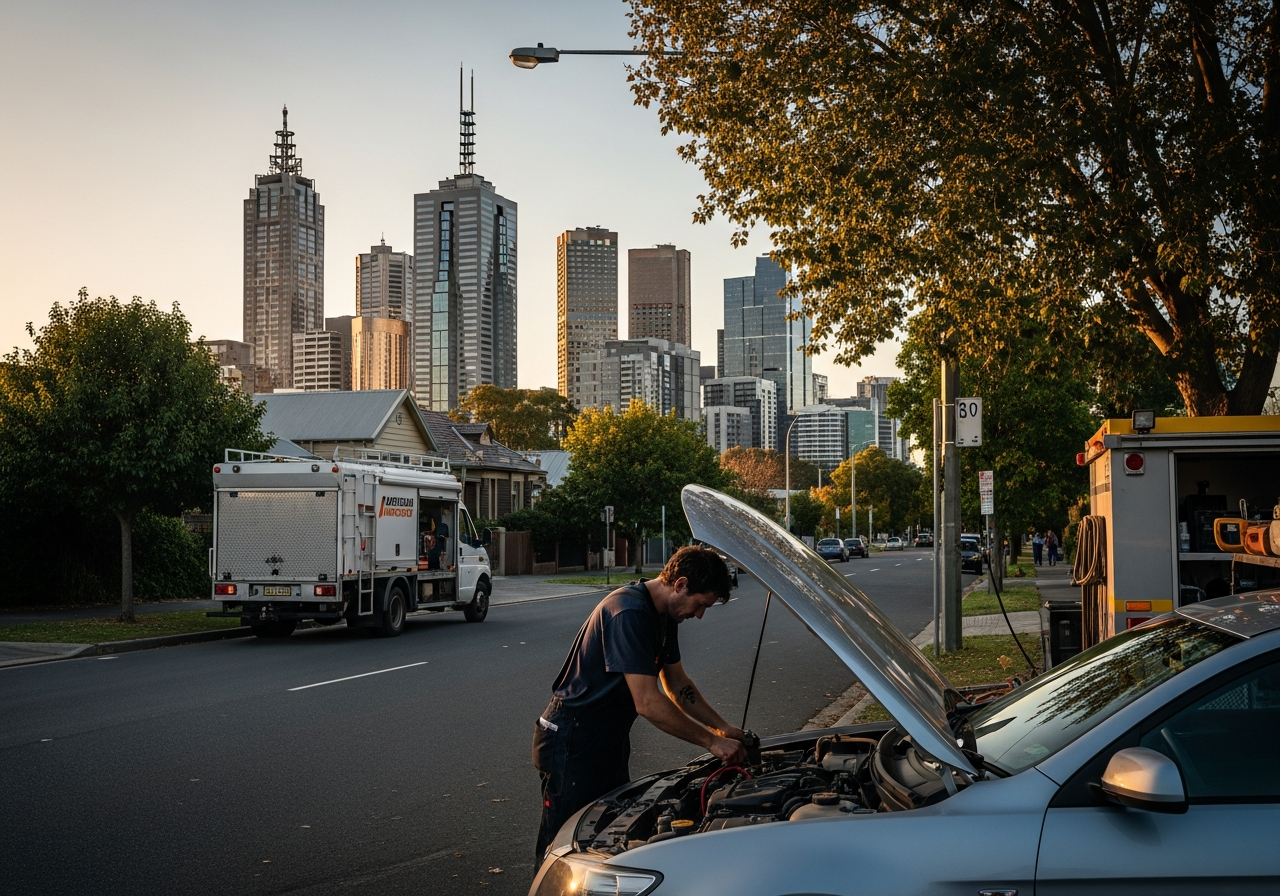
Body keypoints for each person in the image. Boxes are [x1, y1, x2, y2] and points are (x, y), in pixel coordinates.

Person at [532, 546, 747, 861]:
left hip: (606, 739)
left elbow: (677, 684)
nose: (699, 615)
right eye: (700, 605)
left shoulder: (664, 615)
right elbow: (646, 701)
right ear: (681, 584)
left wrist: (723, 728)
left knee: (606, 841)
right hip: (571, 741)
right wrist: (711, 742)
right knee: (562, 850)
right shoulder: (629, 612)